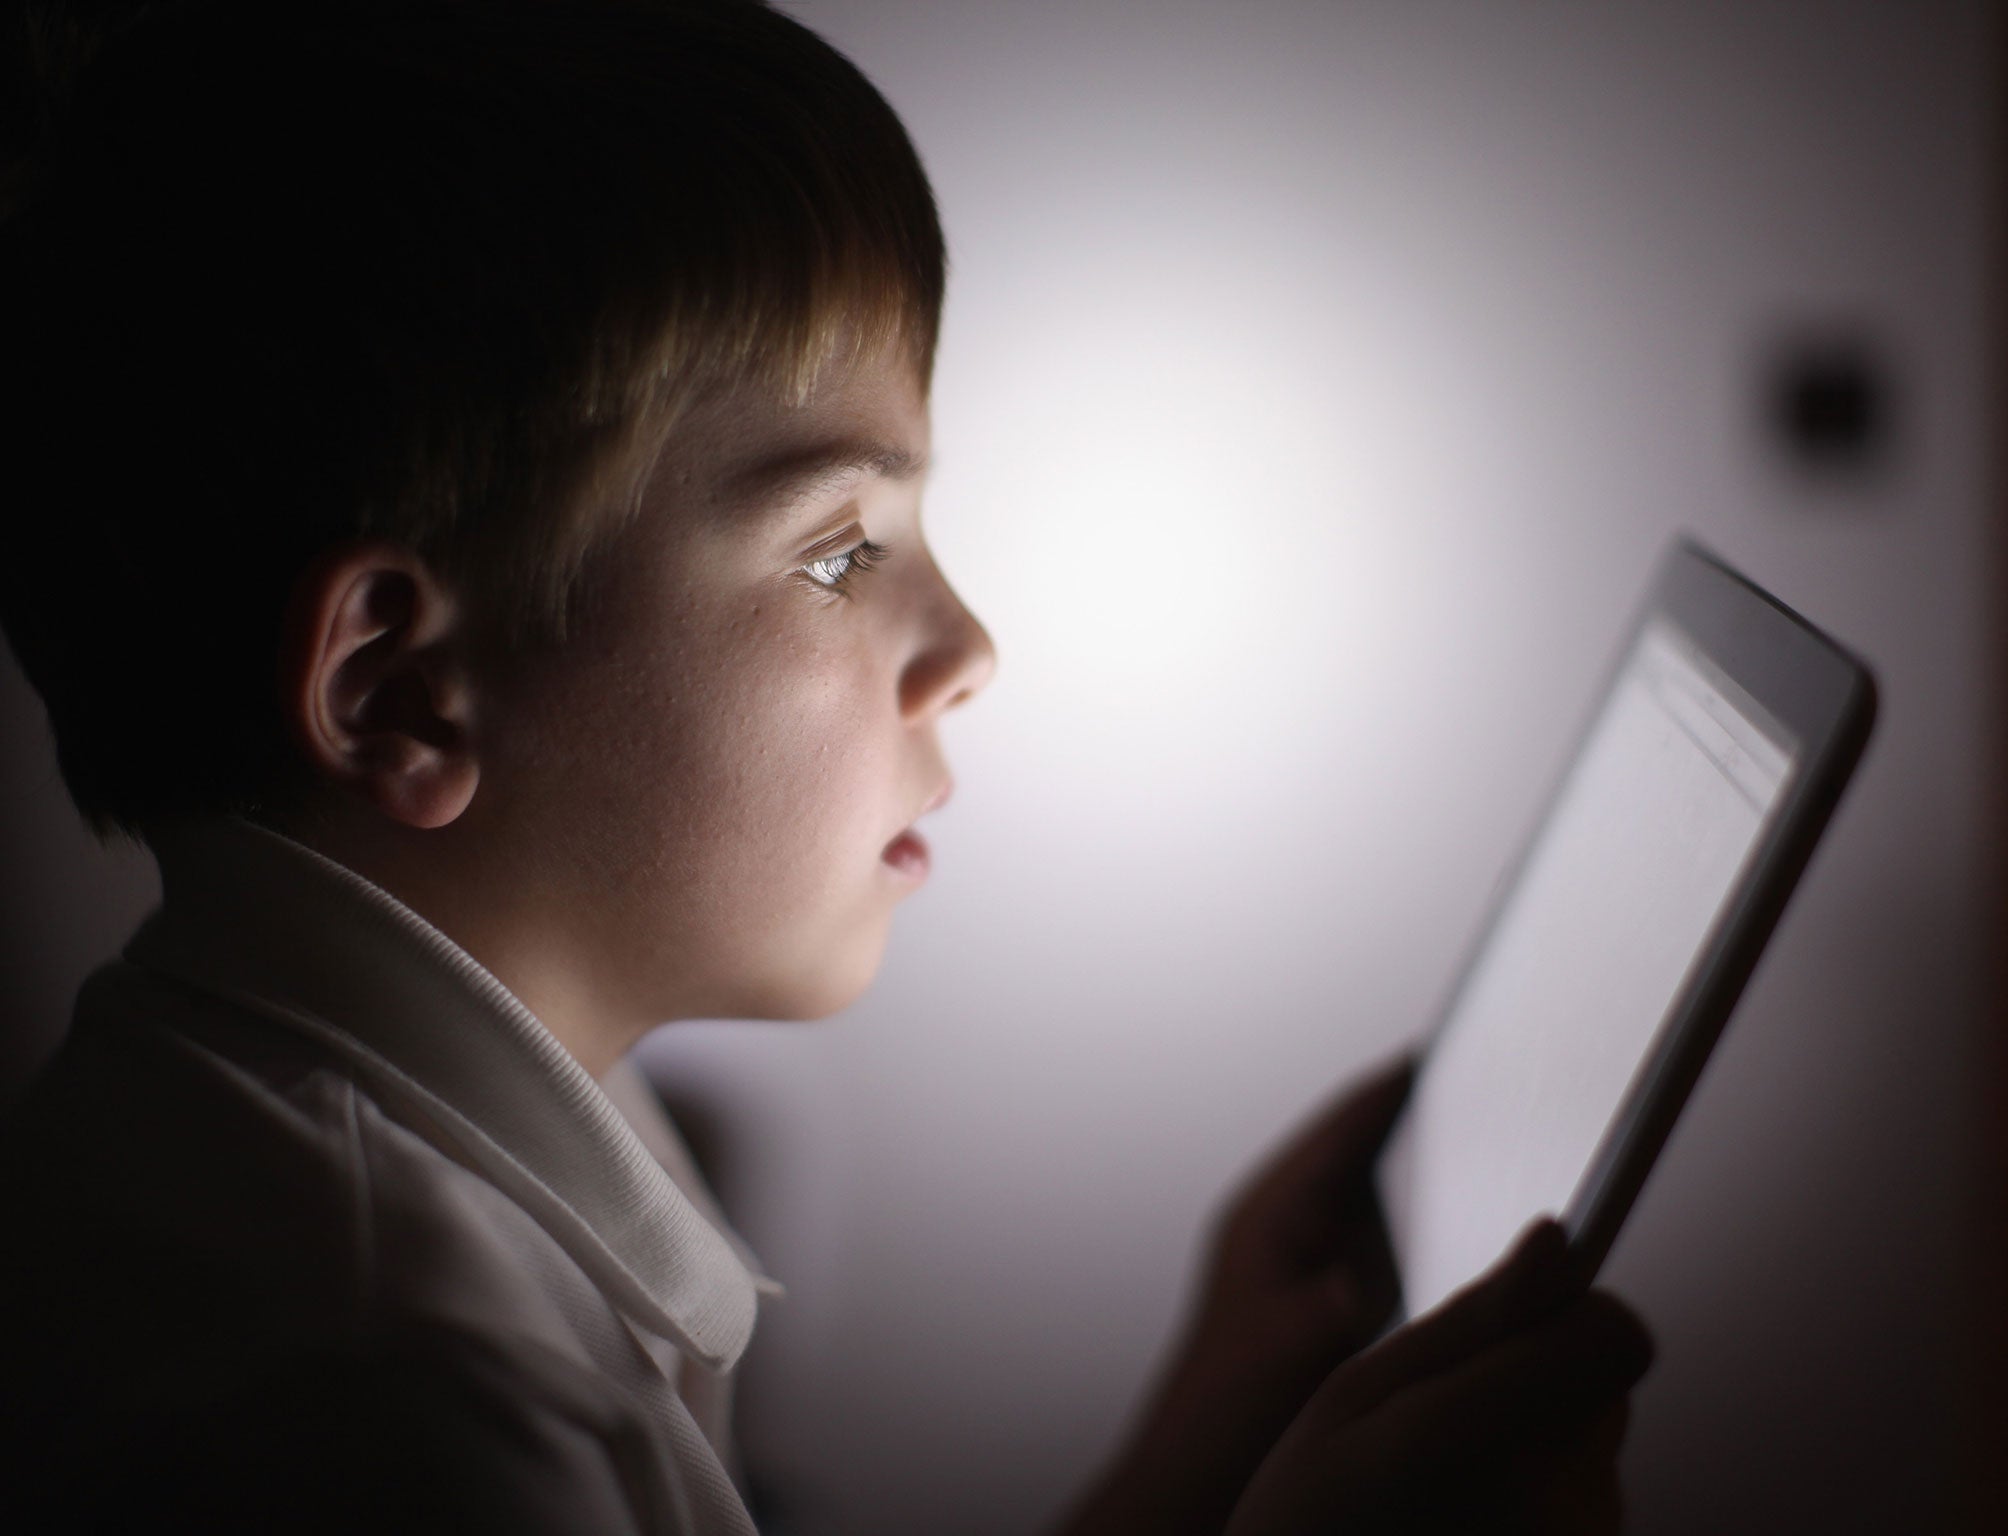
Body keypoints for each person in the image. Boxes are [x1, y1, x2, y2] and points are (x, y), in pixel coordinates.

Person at [0, 1, 1652, 1531]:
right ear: (403, 694)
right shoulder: (392, 1397)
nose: (970, 649)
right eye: (844, 554)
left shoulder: (405, 1120)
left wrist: (1194, 1455)